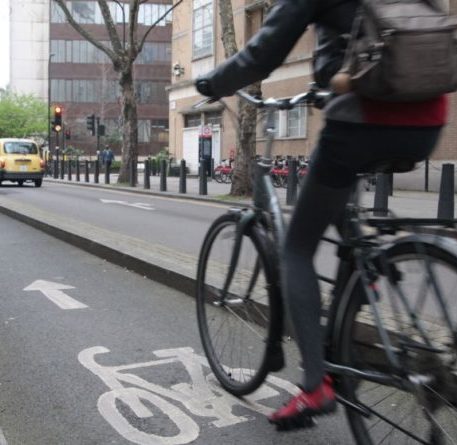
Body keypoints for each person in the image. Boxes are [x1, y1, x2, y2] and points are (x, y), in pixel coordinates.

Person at [195, 0, 448, 431]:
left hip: (363, 120)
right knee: (343, 216)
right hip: (429, 122)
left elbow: (264, 51)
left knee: (296, 246)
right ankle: (360, 282)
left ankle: (316, 385)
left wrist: (211, 83)